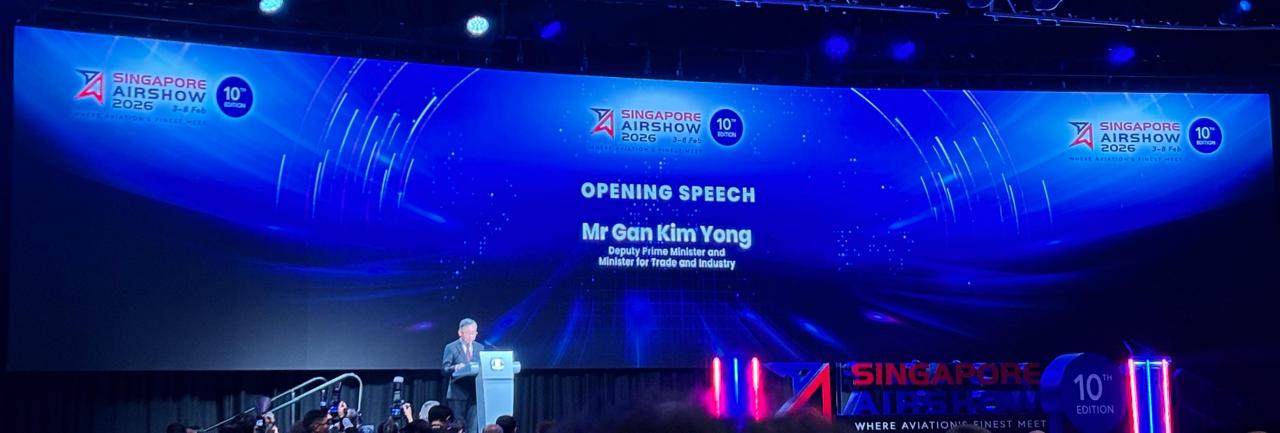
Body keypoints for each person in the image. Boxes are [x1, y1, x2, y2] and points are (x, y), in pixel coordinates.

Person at [443, 318, 485, 433]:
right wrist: (455, 367)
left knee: (473, 427)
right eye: (468, 333)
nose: (471, 336)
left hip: (475, 394)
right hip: (457, 394)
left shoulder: (480, 347)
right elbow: (445, 369)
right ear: (460, 333)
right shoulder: (451, 347)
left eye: (473, 333)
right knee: (458, 426)